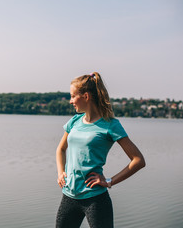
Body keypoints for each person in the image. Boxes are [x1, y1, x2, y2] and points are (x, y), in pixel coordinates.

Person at [55, 72, 145, 228]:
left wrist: (109, 181)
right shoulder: (74, 121)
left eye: (73, 96)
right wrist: (61, 172)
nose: (70, 101)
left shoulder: (110, 125)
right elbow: (61, 149)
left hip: (95, 199)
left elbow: (138, 160)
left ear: (86, 96)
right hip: (69, 196)